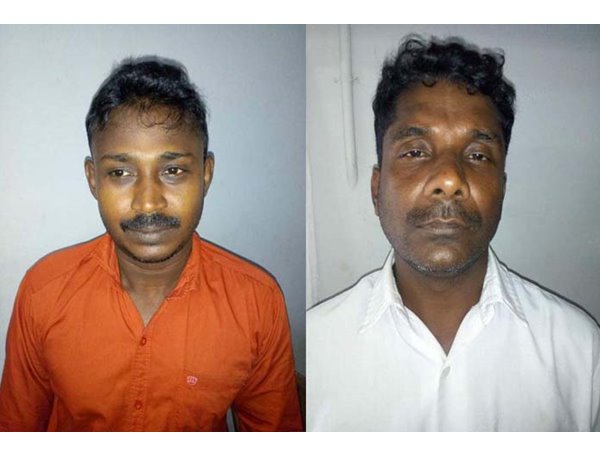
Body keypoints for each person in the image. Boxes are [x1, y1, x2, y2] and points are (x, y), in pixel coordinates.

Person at [307, 35, 600, 431]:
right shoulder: (317, 349)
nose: (449, 179)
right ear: (377, 190)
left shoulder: (580, 352)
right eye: (415, 151)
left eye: (477, 155)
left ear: (502, 188)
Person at [0, 56, 302, 432]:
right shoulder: (43, 291)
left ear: (205, 174)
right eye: (120, 172)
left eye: (172, 171)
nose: (148, 203)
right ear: (93, 179)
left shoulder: (257, 302)